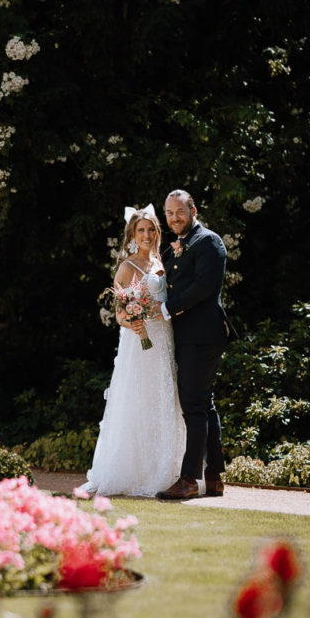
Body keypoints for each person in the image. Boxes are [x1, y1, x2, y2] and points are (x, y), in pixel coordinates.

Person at [81, 205, 186, 497]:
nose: (147, 235)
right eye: (141, 230)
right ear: (132, 234)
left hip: (164, 340)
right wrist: (133, 324)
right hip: (138, 342)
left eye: (151, 229)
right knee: (137, 400)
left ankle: (165, 469)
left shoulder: (162, 262)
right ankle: (131, 470)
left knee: (163, 398)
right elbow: (119, 314)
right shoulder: (127, 267)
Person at [156, 189, 236, 501]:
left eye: (179, 212)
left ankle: (189, 479)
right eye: (169, 213)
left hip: (203, 335)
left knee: (193, 405)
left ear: (193, 210)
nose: (174, 218)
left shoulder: (209, 242)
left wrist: (165, 308)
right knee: (204, 402)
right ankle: (214, 477)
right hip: (187, 335)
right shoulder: (178, 244)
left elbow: (204, 287)